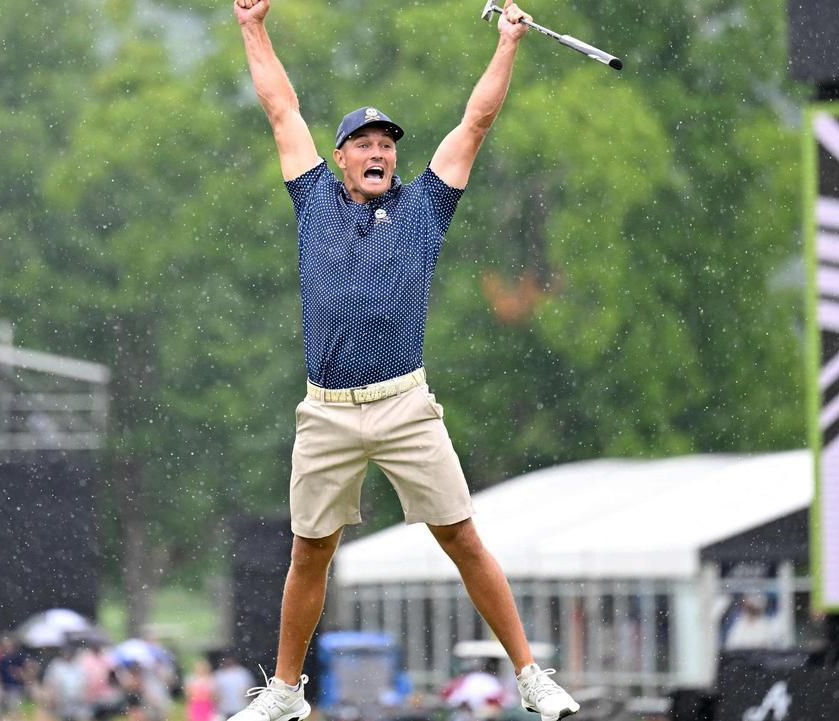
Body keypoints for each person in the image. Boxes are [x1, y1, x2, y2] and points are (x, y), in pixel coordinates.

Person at [227, 1, 580, 721]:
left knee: (461, 535)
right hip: (326, 409)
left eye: (386, 141)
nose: (378, 150)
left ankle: (530, 674)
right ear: (341, 157)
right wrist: (252, 26)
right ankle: (287, 692)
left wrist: (509, 43)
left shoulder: (426, 206)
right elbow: (280, 107)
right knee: (309, 551)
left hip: (403, 404)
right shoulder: (312, 198)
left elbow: (475, 122)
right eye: (363, 142)